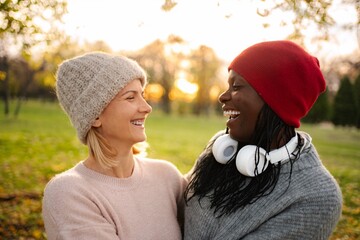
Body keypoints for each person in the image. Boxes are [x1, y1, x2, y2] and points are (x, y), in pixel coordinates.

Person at [184, 40, 342, 239]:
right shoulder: (222, 148)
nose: (223, 97)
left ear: (276, 101)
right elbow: (178, 198)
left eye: (236, 86)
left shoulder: (317, 196)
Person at [42, 52, 186, 239]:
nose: (147, 108)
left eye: (142, 95)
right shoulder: (68, 192)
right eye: (130, 97)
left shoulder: (167, 177)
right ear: (95, 116)